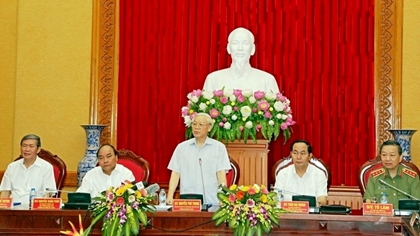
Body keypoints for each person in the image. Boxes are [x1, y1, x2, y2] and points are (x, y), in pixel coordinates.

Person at [166, 113, 231, 206]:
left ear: (209, 128)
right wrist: (170, 195)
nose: (196, 127)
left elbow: (221, 174)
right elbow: (176, 173)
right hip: (188, 202)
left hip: (212, 201)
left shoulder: (219, 148)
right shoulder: (182, 148)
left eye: (200, 125)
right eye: (194, 124)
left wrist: (223, 197)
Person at [203, 27, 280, 93]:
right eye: (235, 43)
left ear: (253, 49)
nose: (240, 48)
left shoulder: (267, 80)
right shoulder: (213, 79)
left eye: (245, 43)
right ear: (228, 48)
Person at [0, 134, 56, 204]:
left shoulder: (46, 167)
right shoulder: (12, 167)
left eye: (31, 146)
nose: (27, 149)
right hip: (12, 210)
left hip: (34, 211)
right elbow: (5, 192)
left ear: (38, 149)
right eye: (24, 146)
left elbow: (48, 195)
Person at [363, 140, 420, 208]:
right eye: (384, 155)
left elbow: (417, 204)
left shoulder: (412, 177)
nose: (387, 159)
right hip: (381, 217)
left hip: (405, 217)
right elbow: (369, 203)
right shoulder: (374, 176)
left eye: (392, 155)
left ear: (400, 158)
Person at [274, 140, 328, 206]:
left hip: (311, 215)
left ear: (310, 156)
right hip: (288, 214)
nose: (298, 157)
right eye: (295, 153)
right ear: (291, 154)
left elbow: (322, 200)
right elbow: (276, 199)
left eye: (303, 153)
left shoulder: (319, 174)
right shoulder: (283, 174)